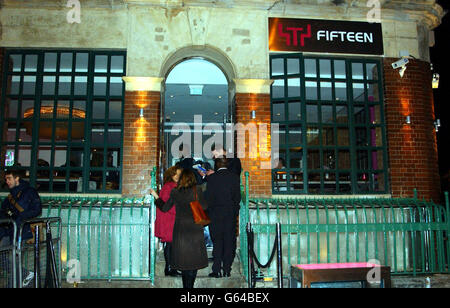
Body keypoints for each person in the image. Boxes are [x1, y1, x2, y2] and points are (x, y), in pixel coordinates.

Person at [150, 169, 208, 288]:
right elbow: (204, 206)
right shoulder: (197, 190)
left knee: (184, 262)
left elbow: (165, 208)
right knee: (194, 261)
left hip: (180, 230)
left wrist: (156, 197)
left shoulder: (175, 192)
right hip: (195, 229)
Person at [0, 169, 42, 287]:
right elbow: (3, 212)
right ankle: (26, 274)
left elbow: (37, 209)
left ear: (17, 178)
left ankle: (13, 284)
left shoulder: (29, 192)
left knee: (15, 260)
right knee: (4, 258)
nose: (7, 181)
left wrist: (20, 216)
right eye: (6, 179)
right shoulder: (10, 197)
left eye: (9, 178)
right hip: (9, 231)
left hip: (21, 231)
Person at [205, 157, 241, 278]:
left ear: (216, 165)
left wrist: (209, 212)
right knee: (229, 242)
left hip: (215, 214)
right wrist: (235, 212)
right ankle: (227, 269)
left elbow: (208, 197)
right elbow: (237, 198)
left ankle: (216, 269)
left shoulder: (212, 178)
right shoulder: (234, 178)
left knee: (217, 241)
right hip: (229, 214)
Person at [154, 166, 182, 276]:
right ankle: (170, 268)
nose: (178, 176)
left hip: (170, 219)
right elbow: (167, 206)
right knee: (170, 245)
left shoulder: (171, 186)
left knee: (172, 245)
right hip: (170, 220)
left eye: (180, 174)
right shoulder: (170, 187)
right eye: (176, 174)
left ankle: (171, 268)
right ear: (171, 175)